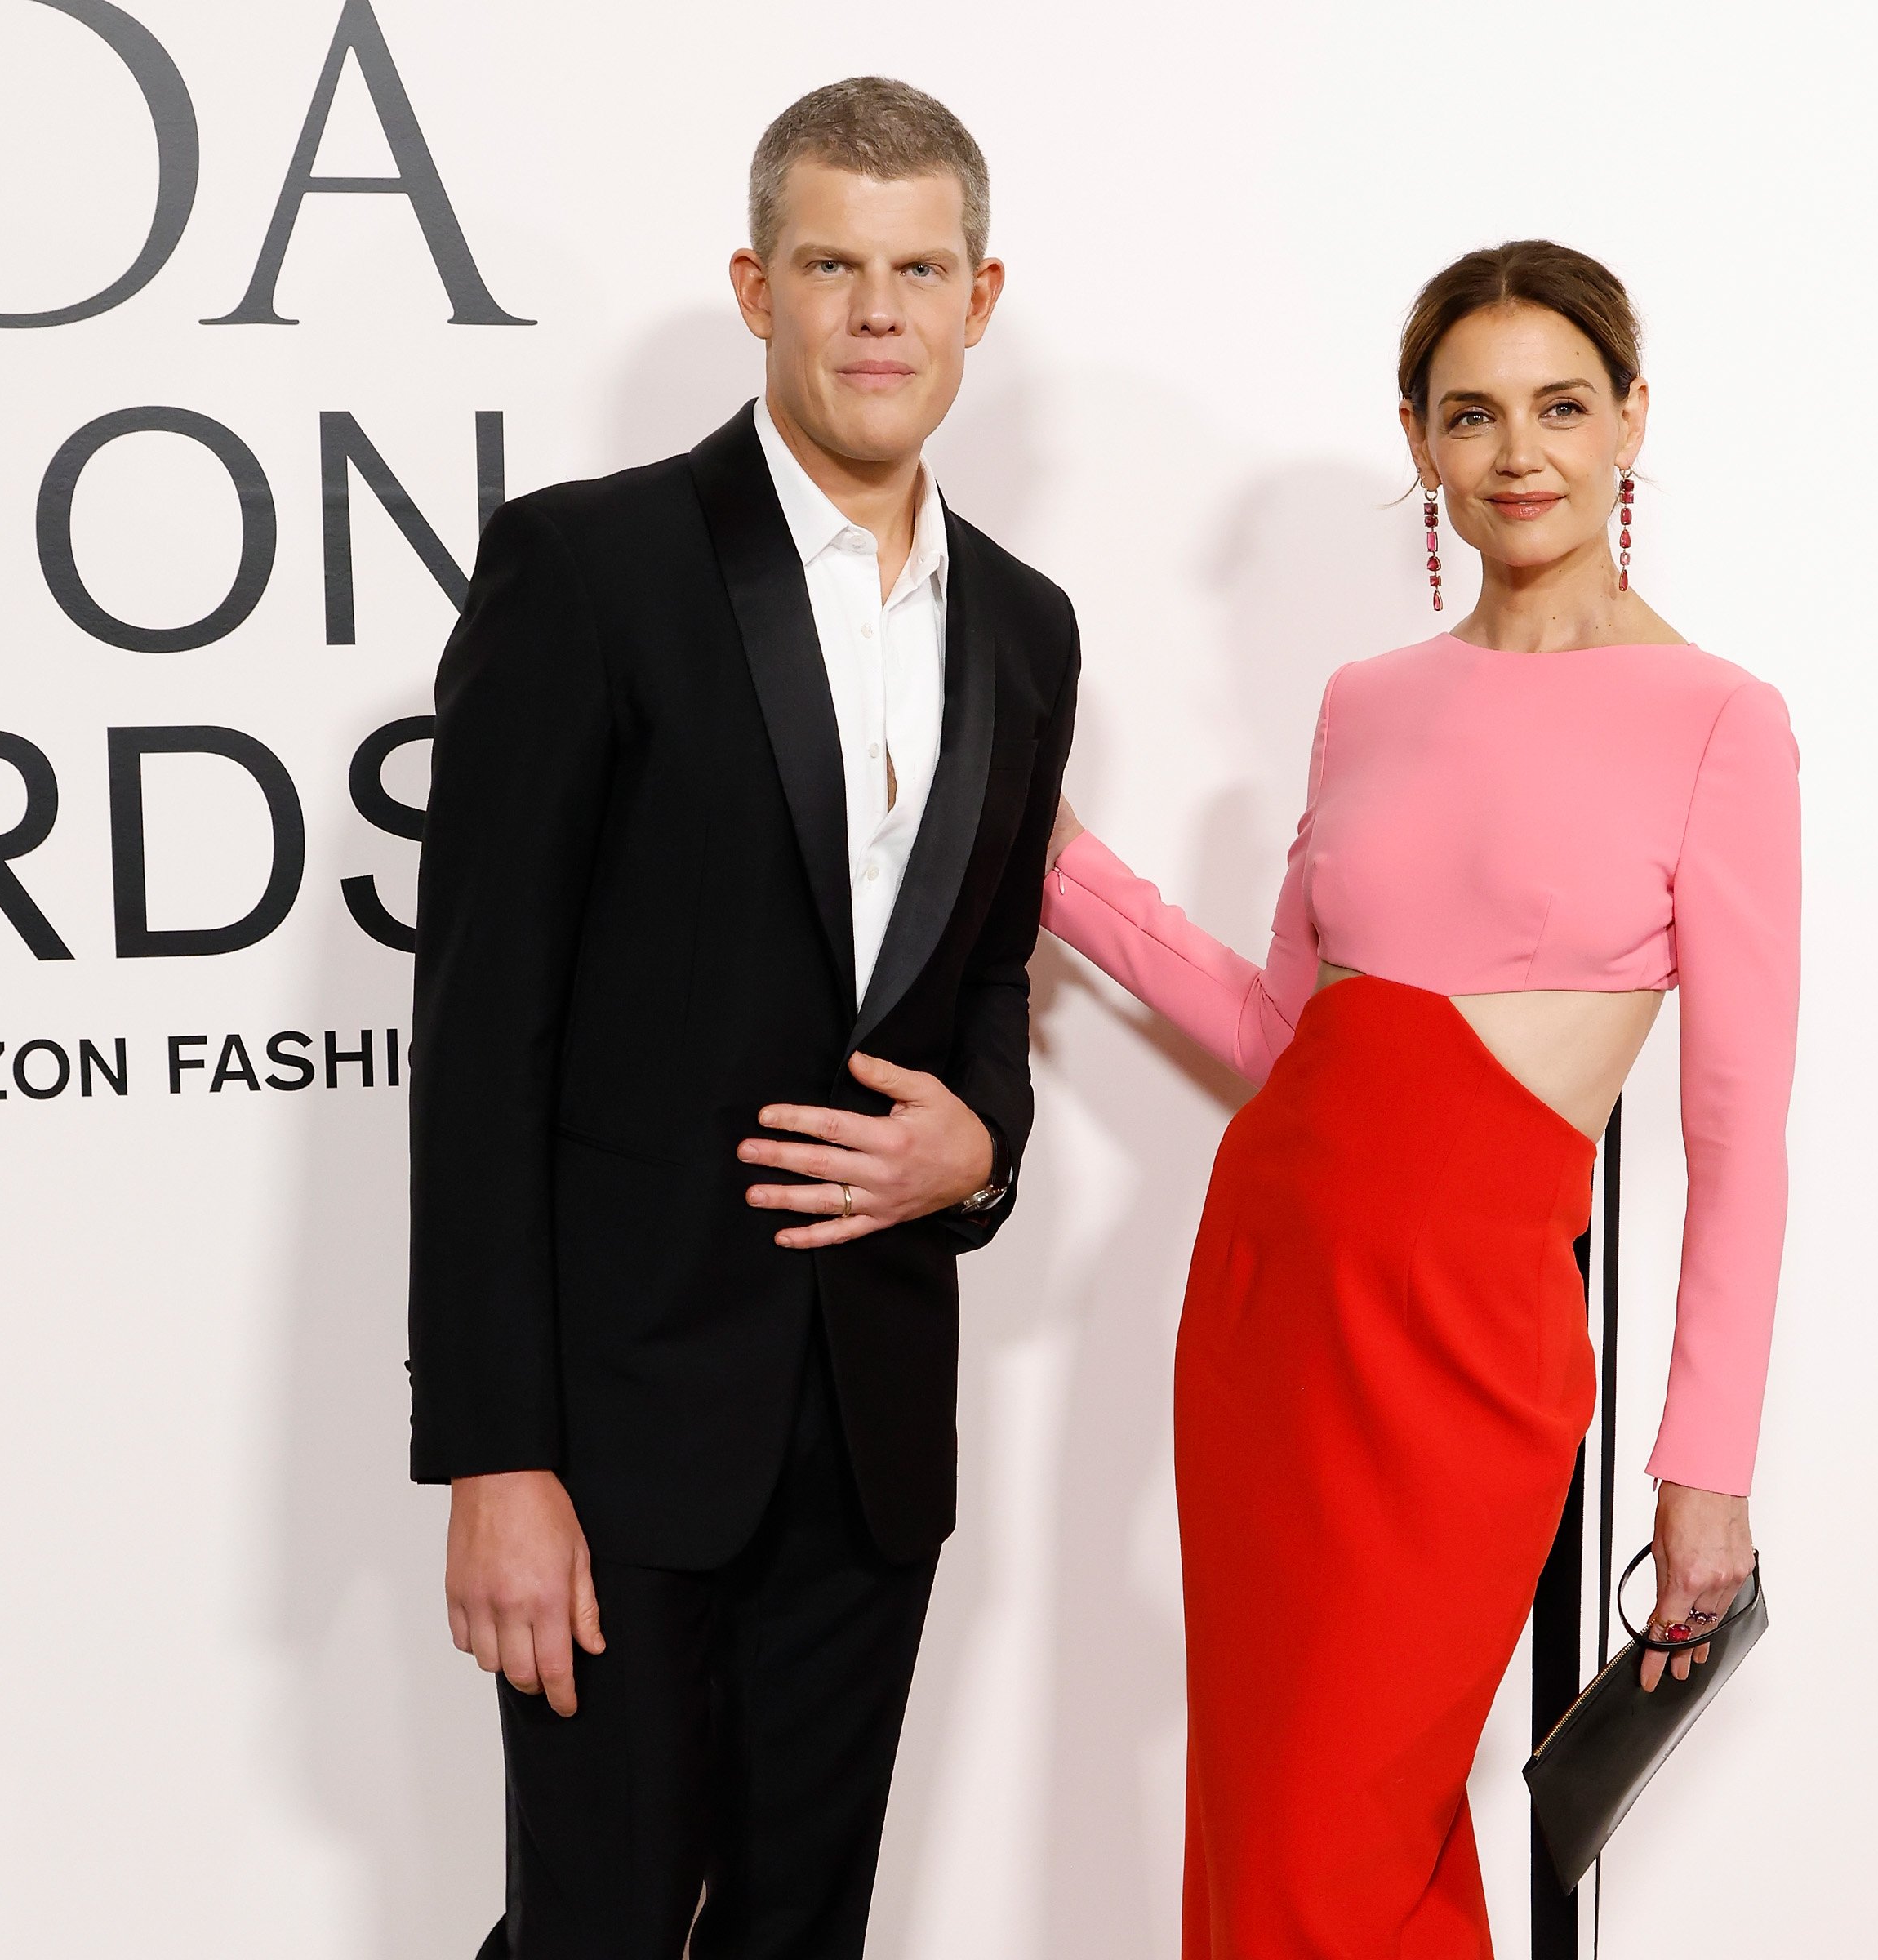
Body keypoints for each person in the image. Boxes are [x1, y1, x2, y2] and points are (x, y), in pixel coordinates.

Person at [1038, 240, 1797, 1956]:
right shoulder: (1364, 703)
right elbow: (1280, 1029)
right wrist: (1057, 863)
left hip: (1468, 1334)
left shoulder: (1719, 723)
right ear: (1422, 442)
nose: (1518, 451)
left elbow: (1738, 1138)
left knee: (1346, 1826)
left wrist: (1708, 1469)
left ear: (1630, 423)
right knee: (1272, 1817)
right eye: (1472, 415)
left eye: (1559, 406)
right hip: (1268, 1294)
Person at [406, 78, 1079, 1960]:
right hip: (613, 1437)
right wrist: (494, 1457)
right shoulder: (588, 569)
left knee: (802, 1936)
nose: (880, 311)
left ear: (981, 296)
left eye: (920, 268)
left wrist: (984, 1142)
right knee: (597, 1931)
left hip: (871, 1437)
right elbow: (478, 1044)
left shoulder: (1027, 628)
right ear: (755, 287)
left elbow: (991, 978)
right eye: (833, 266)